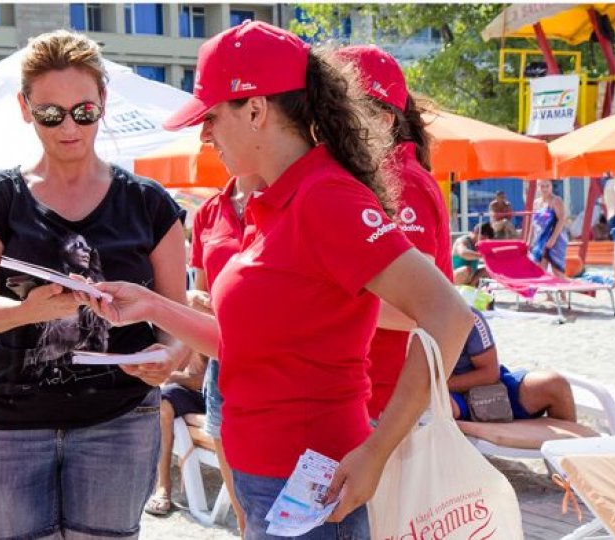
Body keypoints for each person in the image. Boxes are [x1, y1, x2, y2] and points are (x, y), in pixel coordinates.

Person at [79, 21, 474, 539]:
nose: (205, 134)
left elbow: (450, 315)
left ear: (256, 110)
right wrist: (152, 306)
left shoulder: (323, 197)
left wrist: (377, 452)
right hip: (266, 481)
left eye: (211, 117)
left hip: (309, 487)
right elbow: (243, 346)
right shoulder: (275, 201)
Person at [0, 29, 187, 540]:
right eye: (50, 114)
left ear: (103, 101)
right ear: (25, 109)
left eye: (83, 111)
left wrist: (169, 354)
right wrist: (28, 311)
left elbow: (177, 315)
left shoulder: (148, 203)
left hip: (119, 420)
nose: (69, 127)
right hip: (10, 422)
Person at [331, 45, 453, 422]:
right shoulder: (380, 178)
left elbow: (419, 308)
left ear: (383, 121)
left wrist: (317, 305)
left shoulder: (402, 181)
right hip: (377, 394)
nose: (322, 124)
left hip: (388, 400)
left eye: (336, 110)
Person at [185, 173, 266, 533]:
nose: (212, 145)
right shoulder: (208, 211)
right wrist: (195, 300)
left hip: (276, 363)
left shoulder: (289, 196)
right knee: (243, 507)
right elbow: (199, 290)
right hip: (222, 362)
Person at [449, 308, 576, 423]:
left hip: (488, 385)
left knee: (556, 385)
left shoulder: (467, 316)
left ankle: (571, 441)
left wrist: (441, 384)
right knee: (445, 408)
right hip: (449, 395)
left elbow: (490, 373)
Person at [143, 345, 207, 516]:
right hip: (194, 393)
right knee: (162, 400)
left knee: (163, 390)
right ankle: (163, 486)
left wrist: (172, 377)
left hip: (220, 395)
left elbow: (207, 379)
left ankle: (162, 487)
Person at [529, 179, 569, 279]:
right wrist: (530, 241)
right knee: (540, 269)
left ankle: (563, 288)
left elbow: (562, 219)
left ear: (551, 187)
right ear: (538, 187)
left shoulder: (556, 200)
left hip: (556, 238)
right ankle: (546, 289)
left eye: (547, 186)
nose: (545, 189)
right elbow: (533, 223)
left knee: (557, 270)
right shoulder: (536, 203)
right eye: (542, 186)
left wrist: (553, 239)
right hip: (540, 239)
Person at [452, 222, 495, 287]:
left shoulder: (478, 244)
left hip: (470, 277)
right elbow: (463, 253)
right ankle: (460, 289)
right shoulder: (463, 241)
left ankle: (470, 287)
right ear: (477, 233)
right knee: (467, 269)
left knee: (487, 269)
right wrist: (482, 255)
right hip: (455, 275)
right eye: (484, 239)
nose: (484, 242)